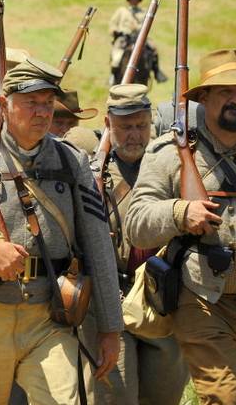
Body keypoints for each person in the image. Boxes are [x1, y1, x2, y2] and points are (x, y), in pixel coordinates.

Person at [0, 57, 123, 405]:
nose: (42, 112)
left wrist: (111, 326)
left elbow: (97, 246)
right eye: (31, 102)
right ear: (4, 104)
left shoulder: (71, 161)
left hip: (49, 314)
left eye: (48, 102)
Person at [126, 48, 236, 404]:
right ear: (202, 97)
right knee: (226, 398)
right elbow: (136, 225)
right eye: (225, 92)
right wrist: (178, 212)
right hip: (201, 299)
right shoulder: (171, 151)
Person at [83, 84, 189, 404]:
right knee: (116, 397)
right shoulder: (90, 171)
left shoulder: (173, 166)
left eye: (142, 125)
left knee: (164, 396)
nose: (135, 134)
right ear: (107, 124)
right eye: (125, 126)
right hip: (110, 300)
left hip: (163, 298)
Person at [108, 0, 166, 84]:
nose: (134, 1)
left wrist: (137, 28)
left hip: (139, 36)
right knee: (115, 51)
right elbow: (113, 22)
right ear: (129, 0)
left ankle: (156, 71)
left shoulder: (142, 12)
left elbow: (146, 25)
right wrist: (113, 30)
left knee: (153, 48)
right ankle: (113, 76)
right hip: (124, 36)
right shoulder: (121, 10)